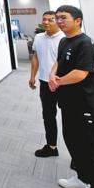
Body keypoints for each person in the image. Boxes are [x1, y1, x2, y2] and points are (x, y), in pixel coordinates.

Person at [49, 5, 94, 188]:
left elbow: (80, 73)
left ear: (78, 20)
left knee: (91, 146)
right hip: (69, 103)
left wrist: (57, 82)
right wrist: (52, 74)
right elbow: (59, 62)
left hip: (85, 104)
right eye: (57, 18)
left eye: (63, 18)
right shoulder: (64, 41)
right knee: (73, 141)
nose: (59, 21)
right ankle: (82, 178)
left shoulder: (86, 44)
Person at [29, 10, 64, 157]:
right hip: (45, 83)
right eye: (44, 19)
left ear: (57, 21)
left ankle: (77, 155)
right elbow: (36, 58)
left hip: (64, 84)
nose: (46, 22)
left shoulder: (64, 38)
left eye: (50, 19)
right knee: (48, 115)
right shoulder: (38, 37)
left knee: (70, 118)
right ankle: (51, 147)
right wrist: (32, 76)